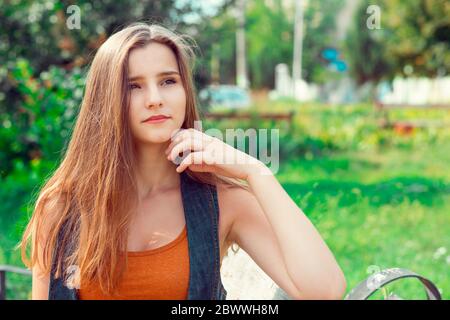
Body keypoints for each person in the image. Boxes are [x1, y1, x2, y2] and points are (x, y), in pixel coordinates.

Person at [19, 22, 346, 300]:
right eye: (133, 86)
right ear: (106, 100)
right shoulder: (62, 207)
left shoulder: (223, 203)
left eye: (168, 81)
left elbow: (325, 291)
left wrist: (257, 173)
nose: (155, 99)